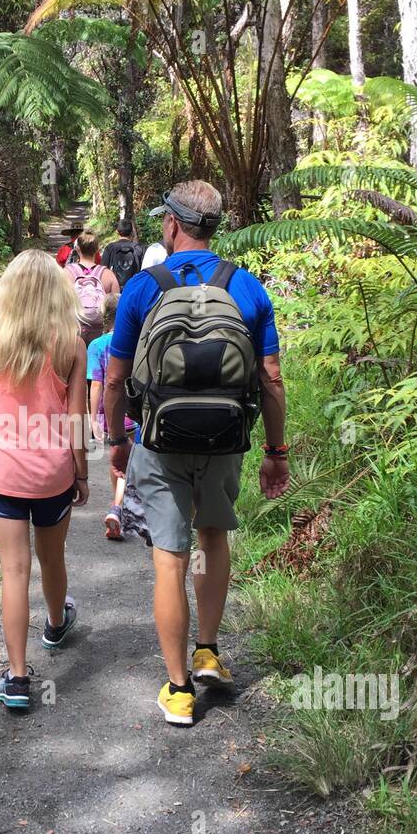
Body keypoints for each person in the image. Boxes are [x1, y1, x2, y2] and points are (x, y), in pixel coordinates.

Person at [103, 180, 291, 728]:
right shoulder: (247, 287)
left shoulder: (142, 289)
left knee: (169, 552)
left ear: (171, 224)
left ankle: (179, 688)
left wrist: (118, 442)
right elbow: (271, 379)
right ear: (215, 227)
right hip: (225, 441)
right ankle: (208, 651)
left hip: (160, 443)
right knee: (212, 535)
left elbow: (114, 380)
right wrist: (276, 451)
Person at [0, 250, 89, 713]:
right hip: (53, 475)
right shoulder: (72, 343)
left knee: (13, 571)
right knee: (51, 557)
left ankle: (17, 679)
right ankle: (56, 624)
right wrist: (82, 472)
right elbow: (77, 419)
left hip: (3, 473)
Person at [87, 294, 139, 540]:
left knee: (117, 460)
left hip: (109, 412)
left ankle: (117, 506)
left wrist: (93, 418)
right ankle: (118, 507)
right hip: (134, 411)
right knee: (127, 461)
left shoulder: (96, 346)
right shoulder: (136, 342)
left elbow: (96, 385)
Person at [65, 231, 119, 347]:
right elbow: (115, 309)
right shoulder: (108, 275)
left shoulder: (66, 274)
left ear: (77, 249)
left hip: (74, 333)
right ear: (97, 250)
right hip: (100, 333)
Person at [102, 218, 144, 288]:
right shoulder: (139, 249)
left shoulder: (110, 248)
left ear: (117, 232)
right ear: (132, 232)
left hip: (115, 291)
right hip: (134, 289)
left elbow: (103, 271)